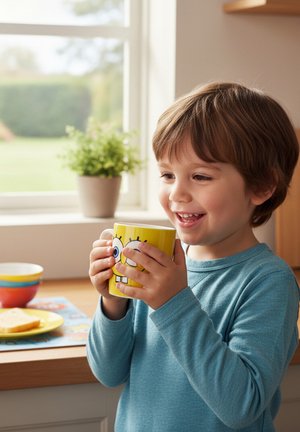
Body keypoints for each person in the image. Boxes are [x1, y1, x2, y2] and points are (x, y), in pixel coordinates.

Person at [87, 82, 300, 432]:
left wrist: (173, 301)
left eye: (200, 176)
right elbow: (108, 373)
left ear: (261, 187)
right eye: (167, 174)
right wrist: (113, 303)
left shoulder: (268, 282)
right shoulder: (159, 264)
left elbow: (240, 406)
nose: (176, 193)